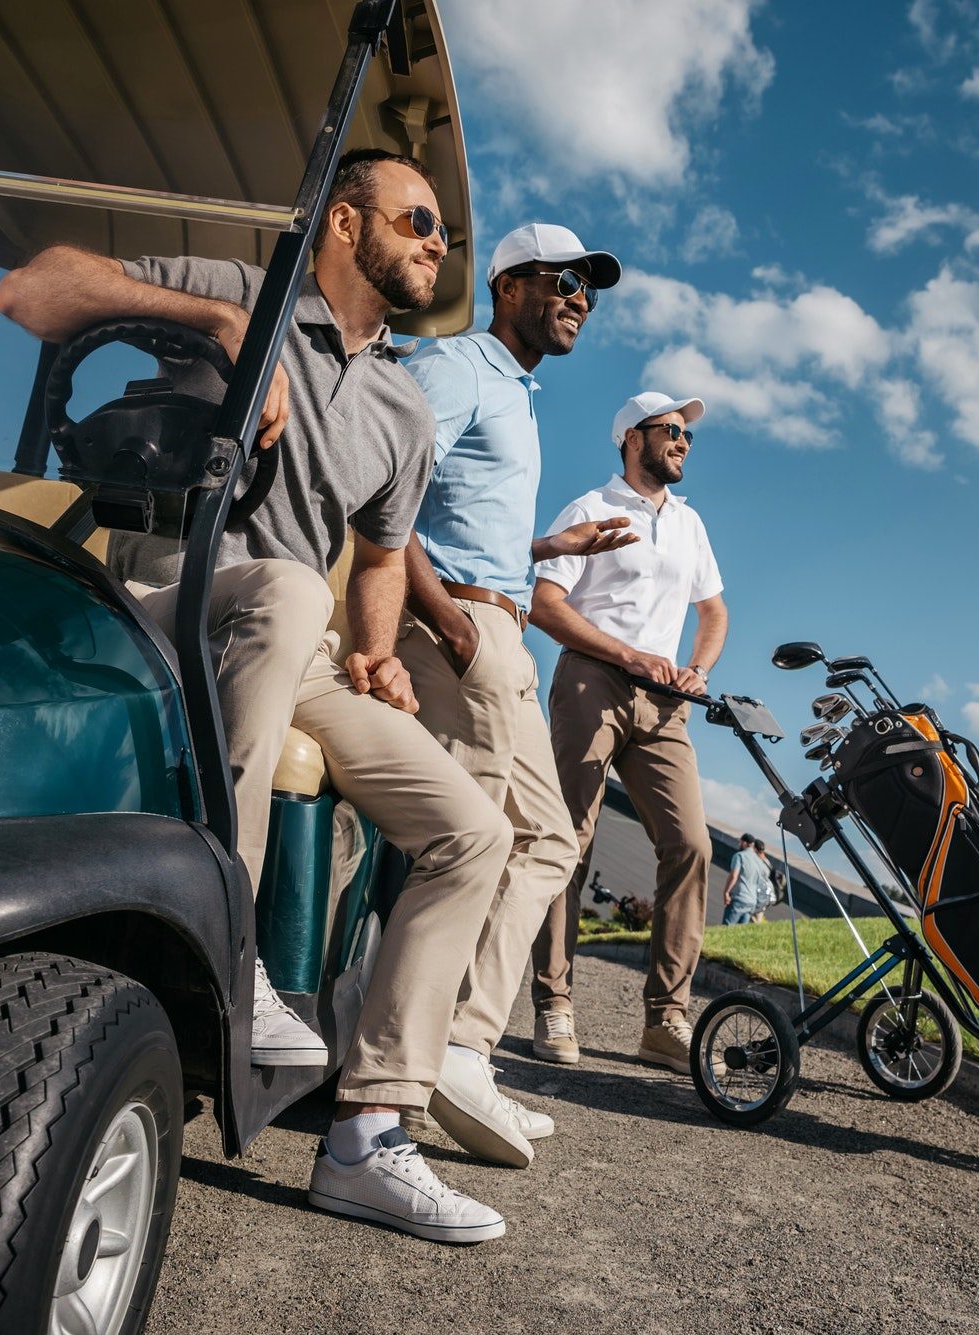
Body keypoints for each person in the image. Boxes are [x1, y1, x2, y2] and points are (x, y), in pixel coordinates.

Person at [0, 149, 513, 1243]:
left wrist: (377, 655)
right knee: (279, 586)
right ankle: (229, 949)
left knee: (472, 828)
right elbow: (30, 291)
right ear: (342, 221)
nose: (436, 242)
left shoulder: (403, 409)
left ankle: (368, 1136)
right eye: (419, 220)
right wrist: (215, 325)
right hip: (157, 582)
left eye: (442, 235)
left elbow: (376, 560)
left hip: (299, 643)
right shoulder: (238, 292)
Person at [395, 223, 626, 1167]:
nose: (580, 299)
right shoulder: (453, 367)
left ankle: (462, 1047)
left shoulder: (518, 396)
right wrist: (447, 621)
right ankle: (400, 1080)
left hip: (501, 624)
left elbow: (469, 520)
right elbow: (380, 493)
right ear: (511, 283)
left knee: (549, 840)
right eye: (566, 281)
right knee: (479, 847)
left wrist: (547, 552)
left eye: (590, 290)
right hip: (464, 630)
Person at [528, 391, 729, 1075]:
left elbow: (714, 610)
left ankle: (666, 1018)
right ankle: (553, 1001)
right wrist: (626, 654)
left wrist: (697, 668)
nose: (683, 441)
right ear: (630, 438)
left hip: (666, 700)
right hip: (594, 680)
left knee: (691, 844)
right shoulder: (589, 509)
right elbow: (544, 604)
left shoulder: (690, 524)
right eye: (671, 429)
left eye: (688, 435)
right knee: (570, 837)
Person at [722, 833, 767, 926]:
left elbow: (734, 876)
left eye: (740, 842)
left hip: (739, 898)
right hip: (751, 902)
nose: (739, 844)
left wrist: (726, 892)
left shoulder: (739, 856)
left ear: (745, 843)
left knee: (726, 929)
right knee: (739, 933)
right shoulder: (759, 861)